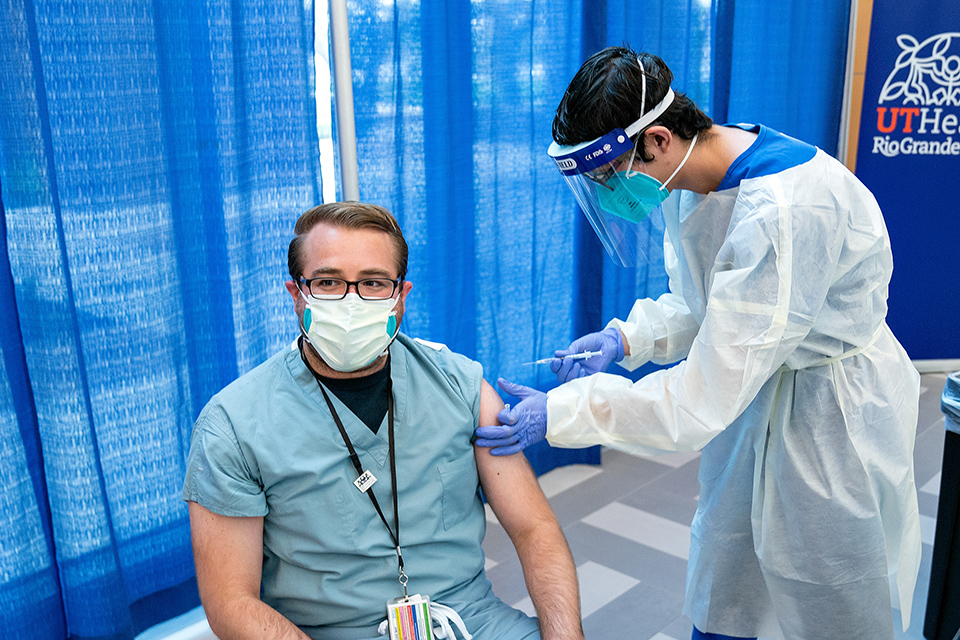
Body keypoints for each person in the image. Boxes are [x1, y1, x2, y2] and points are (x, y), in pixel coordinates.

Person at [475, 46, 921, 640]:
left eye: (610, 176)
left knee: (828, 585)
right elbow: (711, 303)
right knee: (728, 572)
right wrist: (627, 337)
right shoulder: (693, 178)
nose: (612, 193)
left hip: (827, 413)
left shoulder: (782, 209)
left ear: (656, 138)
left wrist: (563, 410)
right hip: (755, 393)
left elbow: (699, 398)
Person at [183, 202, 584, 640]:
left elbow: (534, 529)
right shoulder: (234, 426)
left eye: (373, 283)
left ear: (401, 297)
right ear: (297, 294)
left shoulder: (460, 387)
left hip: (471, 622)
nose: (352, 302)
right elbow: (230, 602)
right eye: (329, 282)